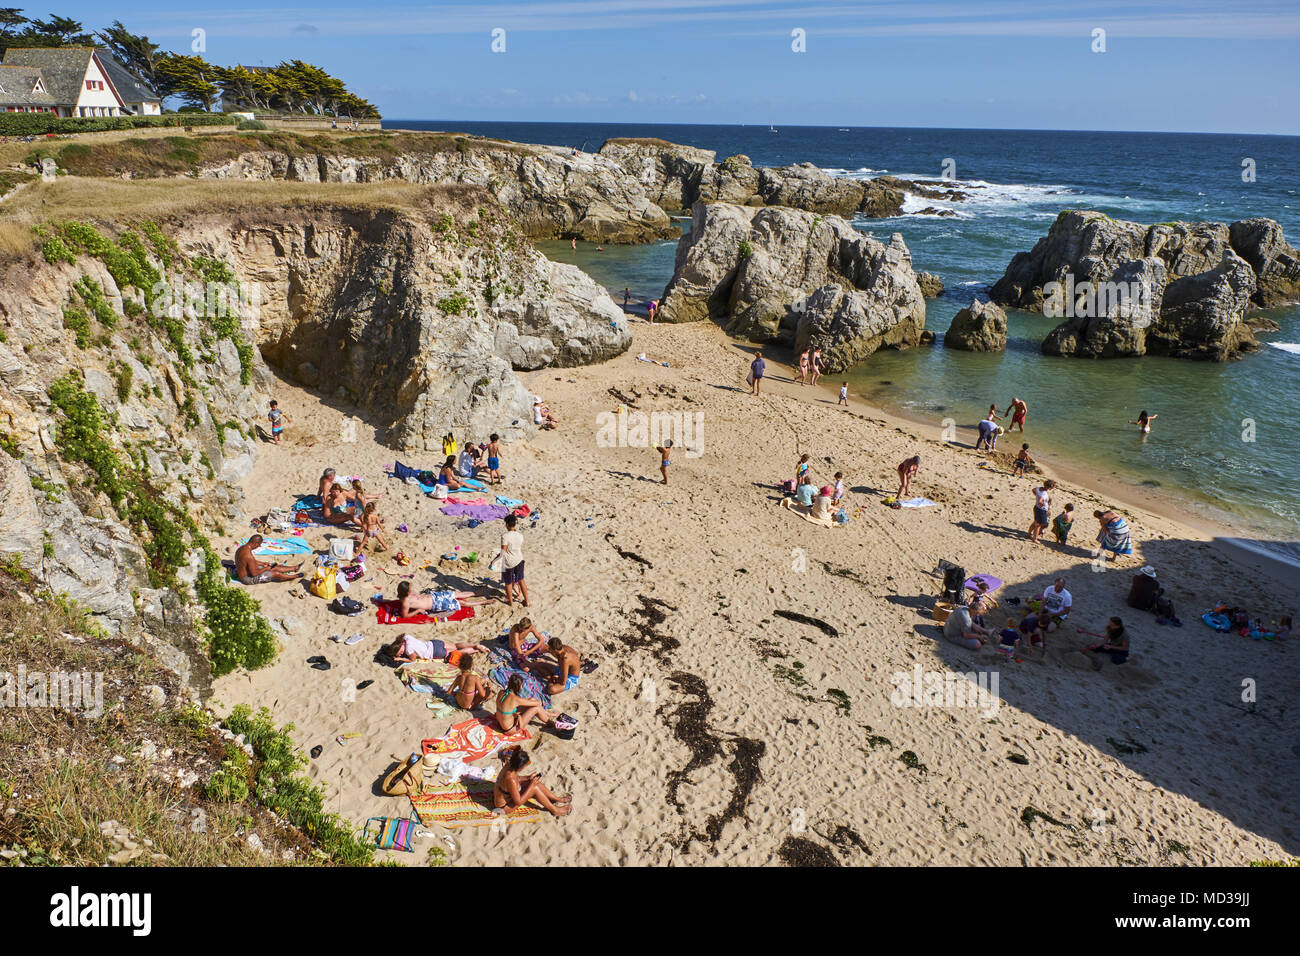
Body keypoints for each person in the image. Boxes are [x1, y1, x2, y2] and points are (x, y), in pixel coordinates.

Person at [494, 746, 571, 817]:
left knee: (535, 782)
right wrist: (531, 786)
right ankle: (555, 810)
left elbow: (517, 778)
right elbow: (518, 802)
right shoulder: (510, 779)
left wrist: (528, 778)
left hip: (507, 795)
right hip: (504, 807)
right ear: (520, 768)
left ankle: (556, 799)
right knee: (534, 788)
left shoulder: (509, 765)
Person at [394, 580, 494, 618]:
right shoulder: (405, 602)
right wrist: (418, 611)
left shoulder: (409, 593)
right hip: (435, 605)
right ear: (406, 592)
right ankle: (483, 602)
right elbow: (405, 615)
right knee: (460, 603)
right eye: (410, 589)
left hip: (434, 596)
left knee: (456, 594)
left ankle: (475, 593)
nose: (412, 590)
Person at [234, 536, 302, 584]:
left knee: (273, 567)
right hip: (246, 578)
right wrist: (267, 568)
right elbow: (254, 573)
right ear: (255, 543)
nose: (259, 546)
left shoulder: (241, 548)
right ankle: (294, 576)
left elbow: (249, 562)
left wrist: (264, 563)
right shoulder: (249, 556)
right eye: (259, 545)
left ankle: (294, 568)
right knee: (275, 573)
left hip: (248, 571)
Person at [385, 632, 489, 663]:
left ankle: (475, 650)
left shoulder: (408, 650)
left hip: (435, 652)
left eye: (398, 653)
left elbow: (412, 659)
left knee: (457, 652)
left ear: (400, 649)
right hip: (434, 643)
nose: (399, 655)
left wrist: (400, 658)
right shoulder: (406, 638)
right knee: (456, 645)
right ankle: (475, 645)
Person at [498, 513, 529, 608]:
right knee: (521, 580)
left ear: (507, 524)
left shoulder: (505, 536)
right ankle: (527, 601)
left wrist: (495, 560)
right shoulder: (520, 535)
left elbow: (503, 551)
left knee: (508, 582)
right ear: (515, 524)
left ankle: (510, 602)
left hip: (508, 562)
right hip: (519, 559)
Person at [1028, 479, 1055, 544]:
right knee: (1038, 525)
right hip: (1041, 510)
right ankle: (1035, 539)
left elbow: (1033, 490)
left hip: (1036, 507)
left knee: (1035, 522)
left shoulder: (1039, 488)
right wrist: (1043, 504)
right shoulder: (1044, 494)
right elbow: (1040, 501)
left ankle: (1028, 534)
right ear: (1050, 487)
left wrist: (1037, 496)